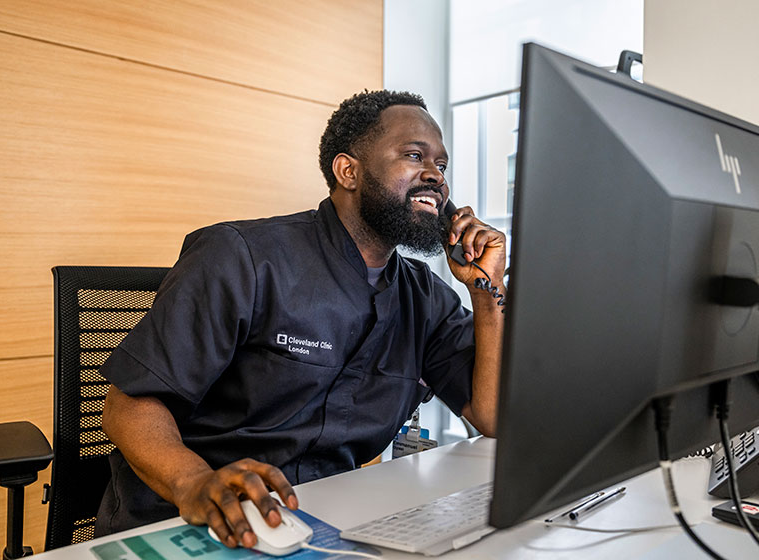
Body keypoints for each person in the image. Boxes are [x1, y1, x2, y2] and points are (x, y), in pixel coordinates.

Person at [96, 90, 506, 549]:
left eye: (442, 166)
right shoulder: (241, 258)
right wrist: (192, 481)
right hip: (191, 519)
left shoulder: (424, 295)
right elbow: (127, 406)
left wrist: (486, 293)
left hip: (327, 524)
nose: (435, 176)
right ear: (348, 171)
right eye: (414, 156)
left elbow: (490, 415)